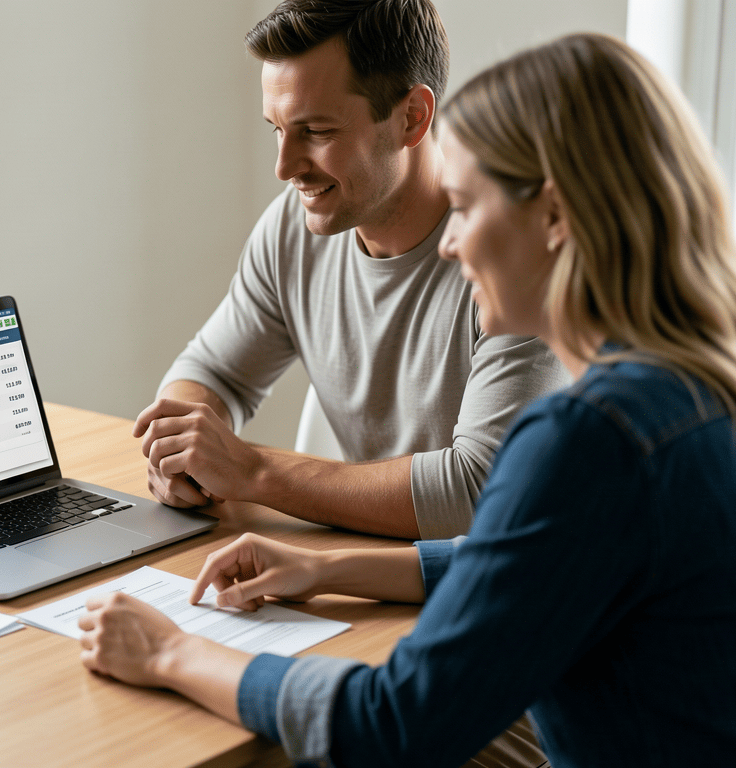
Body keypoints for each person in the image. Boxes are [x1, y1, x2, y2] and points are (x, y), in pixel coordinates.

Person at [81, 32, 736, 767]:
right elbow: (537, 555)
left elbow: (396, 724)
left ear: (554, 217)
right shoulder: (722, 381)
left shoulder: (592, 436)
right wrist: (330, 568)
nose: (449, 244)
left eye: (464, 207)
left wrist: (174, 655)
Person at [134, 0, 567, 540]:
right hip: (374, 575)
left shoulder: (513, 257)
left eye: (316, 131)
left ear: (412, 117)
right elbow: (213, 374)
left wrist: (255, 472)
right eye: (276, 128)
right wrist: (181, 452)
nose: (284, 167)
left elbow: (482, 492)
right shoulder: (294, 229)